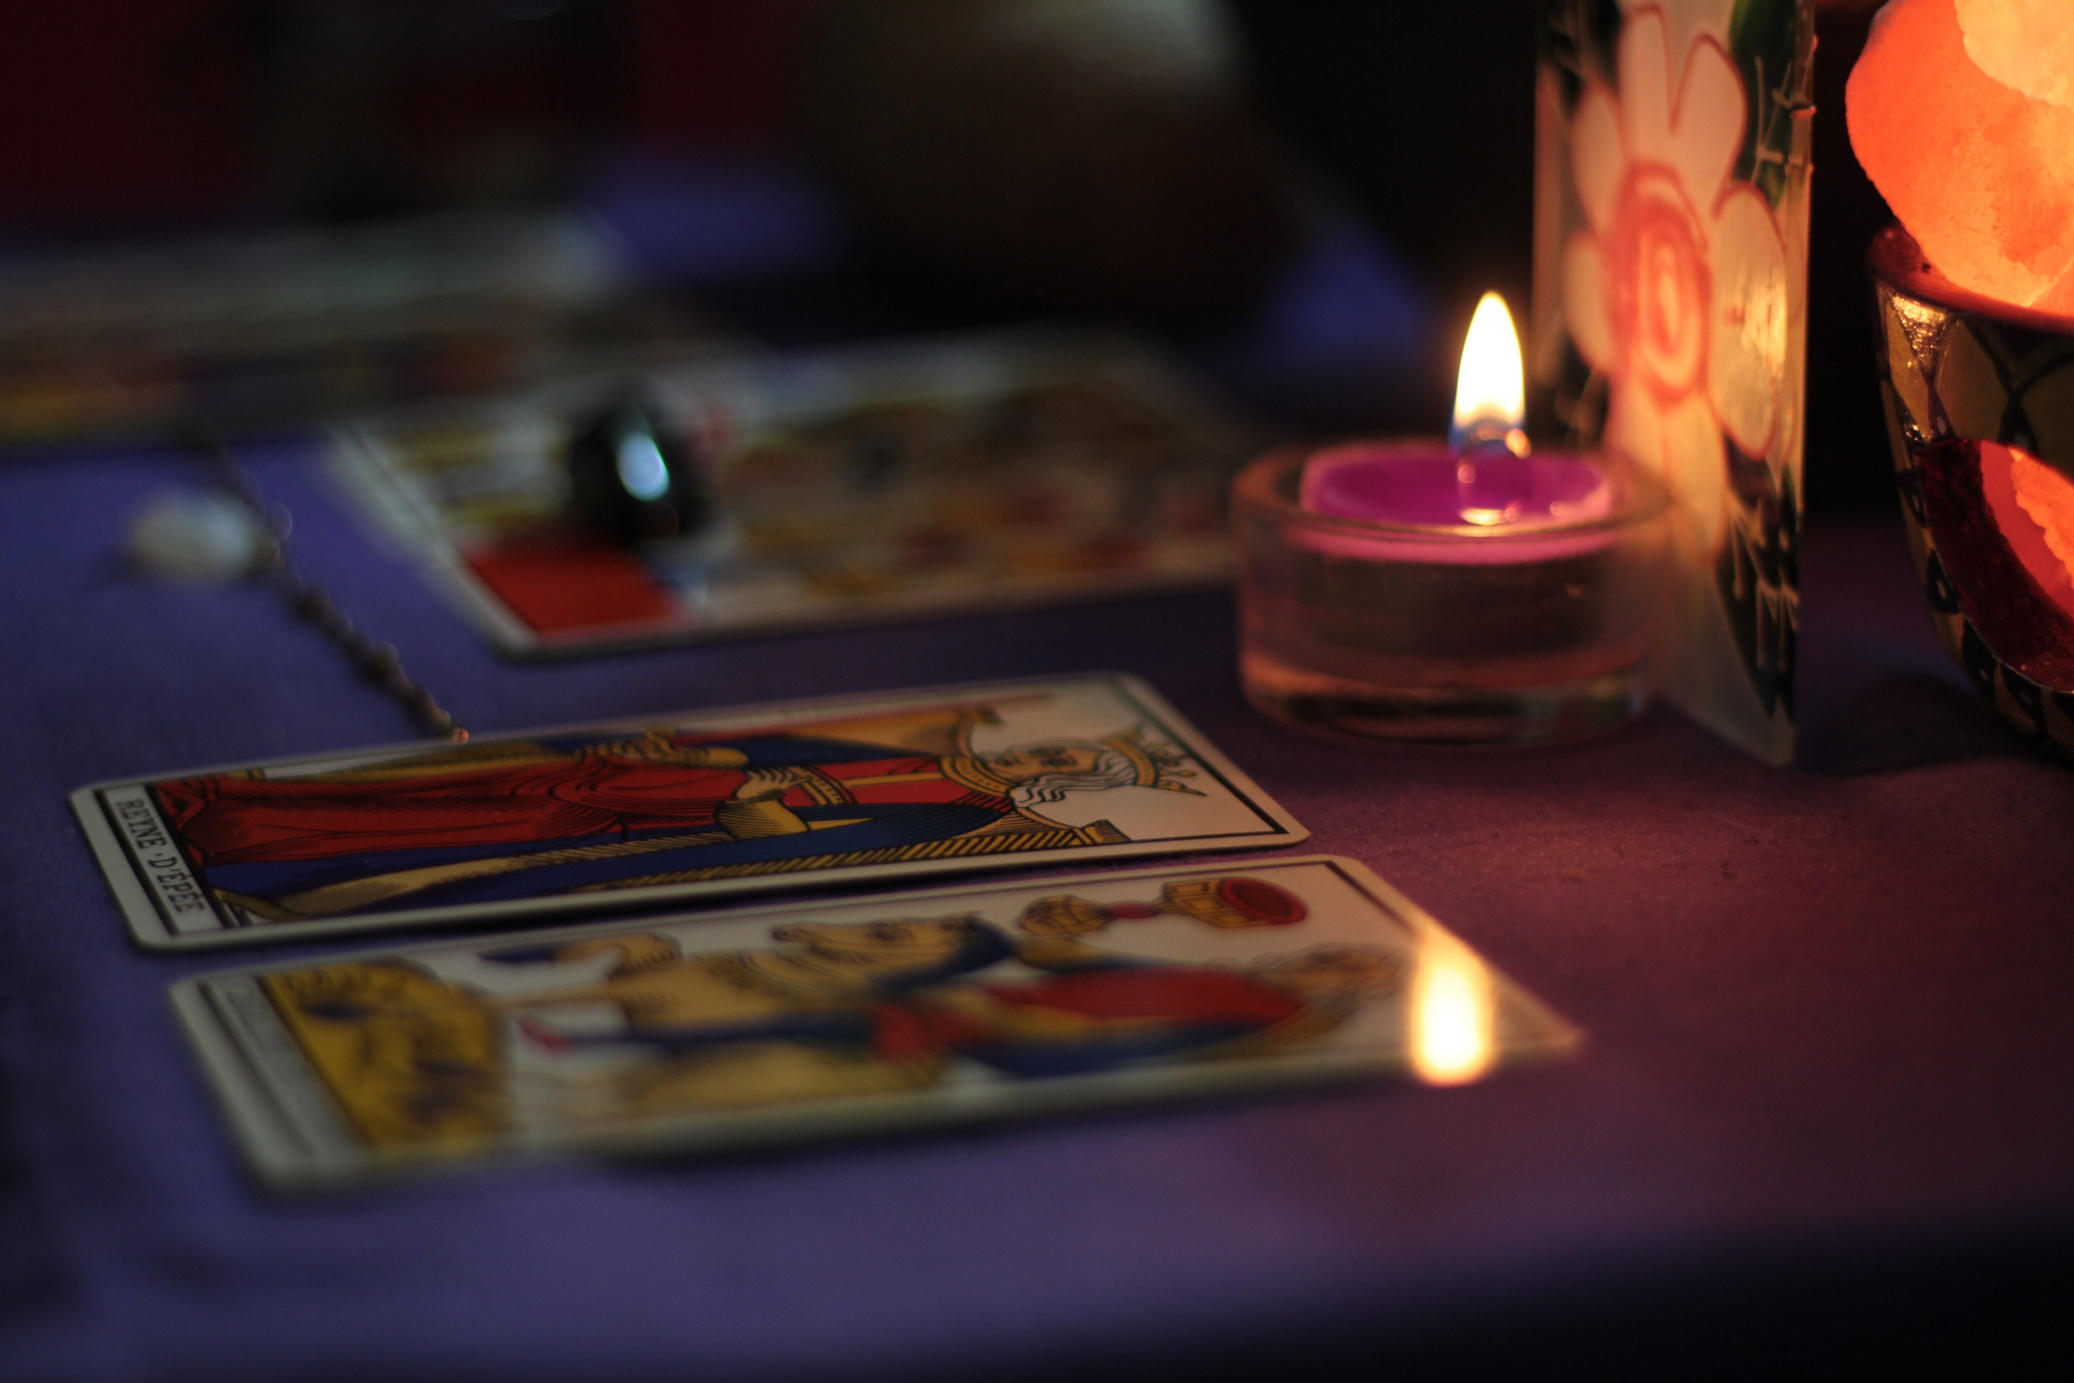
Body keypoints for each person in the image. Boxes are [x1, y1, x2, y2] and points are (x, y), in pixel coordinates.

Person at [150, 706, 1197, 919]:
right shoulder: (908, 747)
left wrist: (749, 807)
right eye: (1054, 743)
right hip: (611, 779)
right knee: (427, 789)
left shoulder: (964, 819)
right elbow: (768, 750)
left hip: (635, 827)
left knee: (432, 836)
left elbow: (802, 852)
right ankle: (229, 805)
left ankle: (254, 849)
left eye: (1067, 763)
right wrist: (709, 761)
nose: (1043, 756)